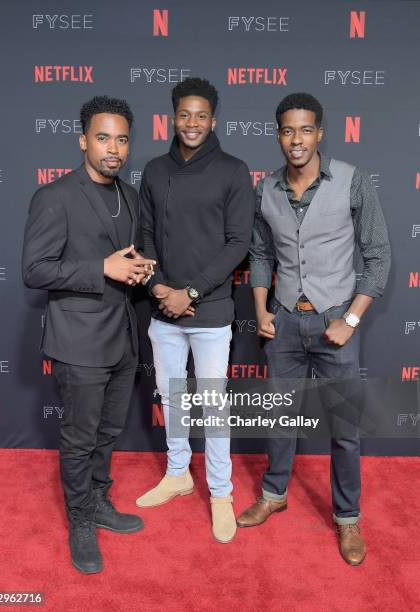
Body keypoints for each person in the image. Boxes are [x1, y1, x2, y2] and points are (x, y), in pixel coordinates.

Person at [237, 93, 391, 565]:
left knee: (344, 429)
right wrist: (262, 310)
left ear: (320, 132)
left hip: (334, 324)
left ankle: (347, 519)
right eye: (287, 130)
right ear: (278, 134)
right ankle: (274, 492)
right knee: (280, 418)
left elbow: (378, 256)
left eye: (305, 130)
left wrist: (350, 320)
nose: (296, 140)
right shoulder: (265, 188)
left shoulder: (351, 180)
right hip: (283, 323)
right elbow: (261, 255)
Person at [22, 96, 155, 574]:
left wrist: (136, 271)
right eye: (103, 137)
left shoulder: (131, 196)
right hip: (79, 341)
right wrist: (101, 268)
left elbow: (126, 262)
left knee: (108, 431)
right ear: (83, 141)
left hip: (122, 337)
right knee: (79, 438)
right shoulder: (54, 197)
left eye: (121, 138)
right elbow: (34, 270)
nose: (113, 148)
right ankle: (79, 521)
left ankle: (98, 502)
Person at [137, 77, 255, 543]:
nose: (192, 123)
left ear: (213, 119)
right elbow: (144, 236)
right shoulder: (152, 169)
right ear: (172, 116)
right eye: (184, 114)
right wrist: (160, 286)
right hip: (163, 308)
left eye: (201, 115)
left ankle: (222, 493)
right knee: (172, 398)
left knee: (212, 405)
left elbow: (239, 243)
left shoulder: (233, 169)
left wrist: (191, 291)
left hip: (209, 312)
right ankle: (178, 474)